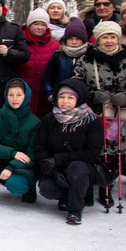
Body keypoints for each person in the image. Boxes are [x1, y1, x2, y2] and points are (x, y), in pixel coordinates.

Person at [72, 20, 126, 206]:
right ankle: (87, 188)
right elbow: (76, 85)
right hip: (92, 115)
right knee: (92, 152)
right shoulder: (87, 59)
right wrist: (93, 95)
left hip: (118, 114)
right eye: (105, 37)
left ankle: (106, 188)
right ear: (98, 39)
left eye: (112, 37)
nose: (109, 41)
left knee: (113, 155)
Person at [35, 79, 104, 225]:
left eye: (70, 98)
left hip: (83, 168)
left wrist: (59, 159)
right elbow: (40, 148)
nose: (65, 101)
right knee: (47, 188)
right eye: (61, 97)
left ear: (79, 99)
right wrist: (53, 172)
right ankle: (68, 197)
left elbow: (92, 153)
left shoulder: (91, 121)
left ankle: (75, 210)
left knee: (76, 169)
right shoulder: (49, 119)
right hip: (57, 167)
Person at [0, 79, 40, 202]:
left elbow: (33, 155)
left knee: (16, 186)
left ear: (26, 96)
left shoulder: (34, 122)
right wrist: (12, 153)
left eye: (19, 95)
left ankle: (29, 186)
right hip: (0, 163)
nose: (15, 99)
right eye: (11, 95)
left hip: (21, 168)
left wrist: (11, 167)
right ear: (6, 96)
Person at [17, 8, 60, 118]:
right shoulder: (19, 42)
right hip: (22, 94)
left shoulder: (55, 46)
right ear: (29, 25)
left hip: (44, 98)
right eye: (36, 24)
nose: (40, 27)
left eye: (43, 24)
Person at [42, 17, 88, 105]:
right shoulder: (58, 56)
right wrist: (50, 95)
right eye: (71, 39)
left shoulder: (88, 57)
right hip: (60, 101)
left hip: (83, 102)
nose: (74, 42)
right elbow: (47, 79)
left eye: (78, 39)